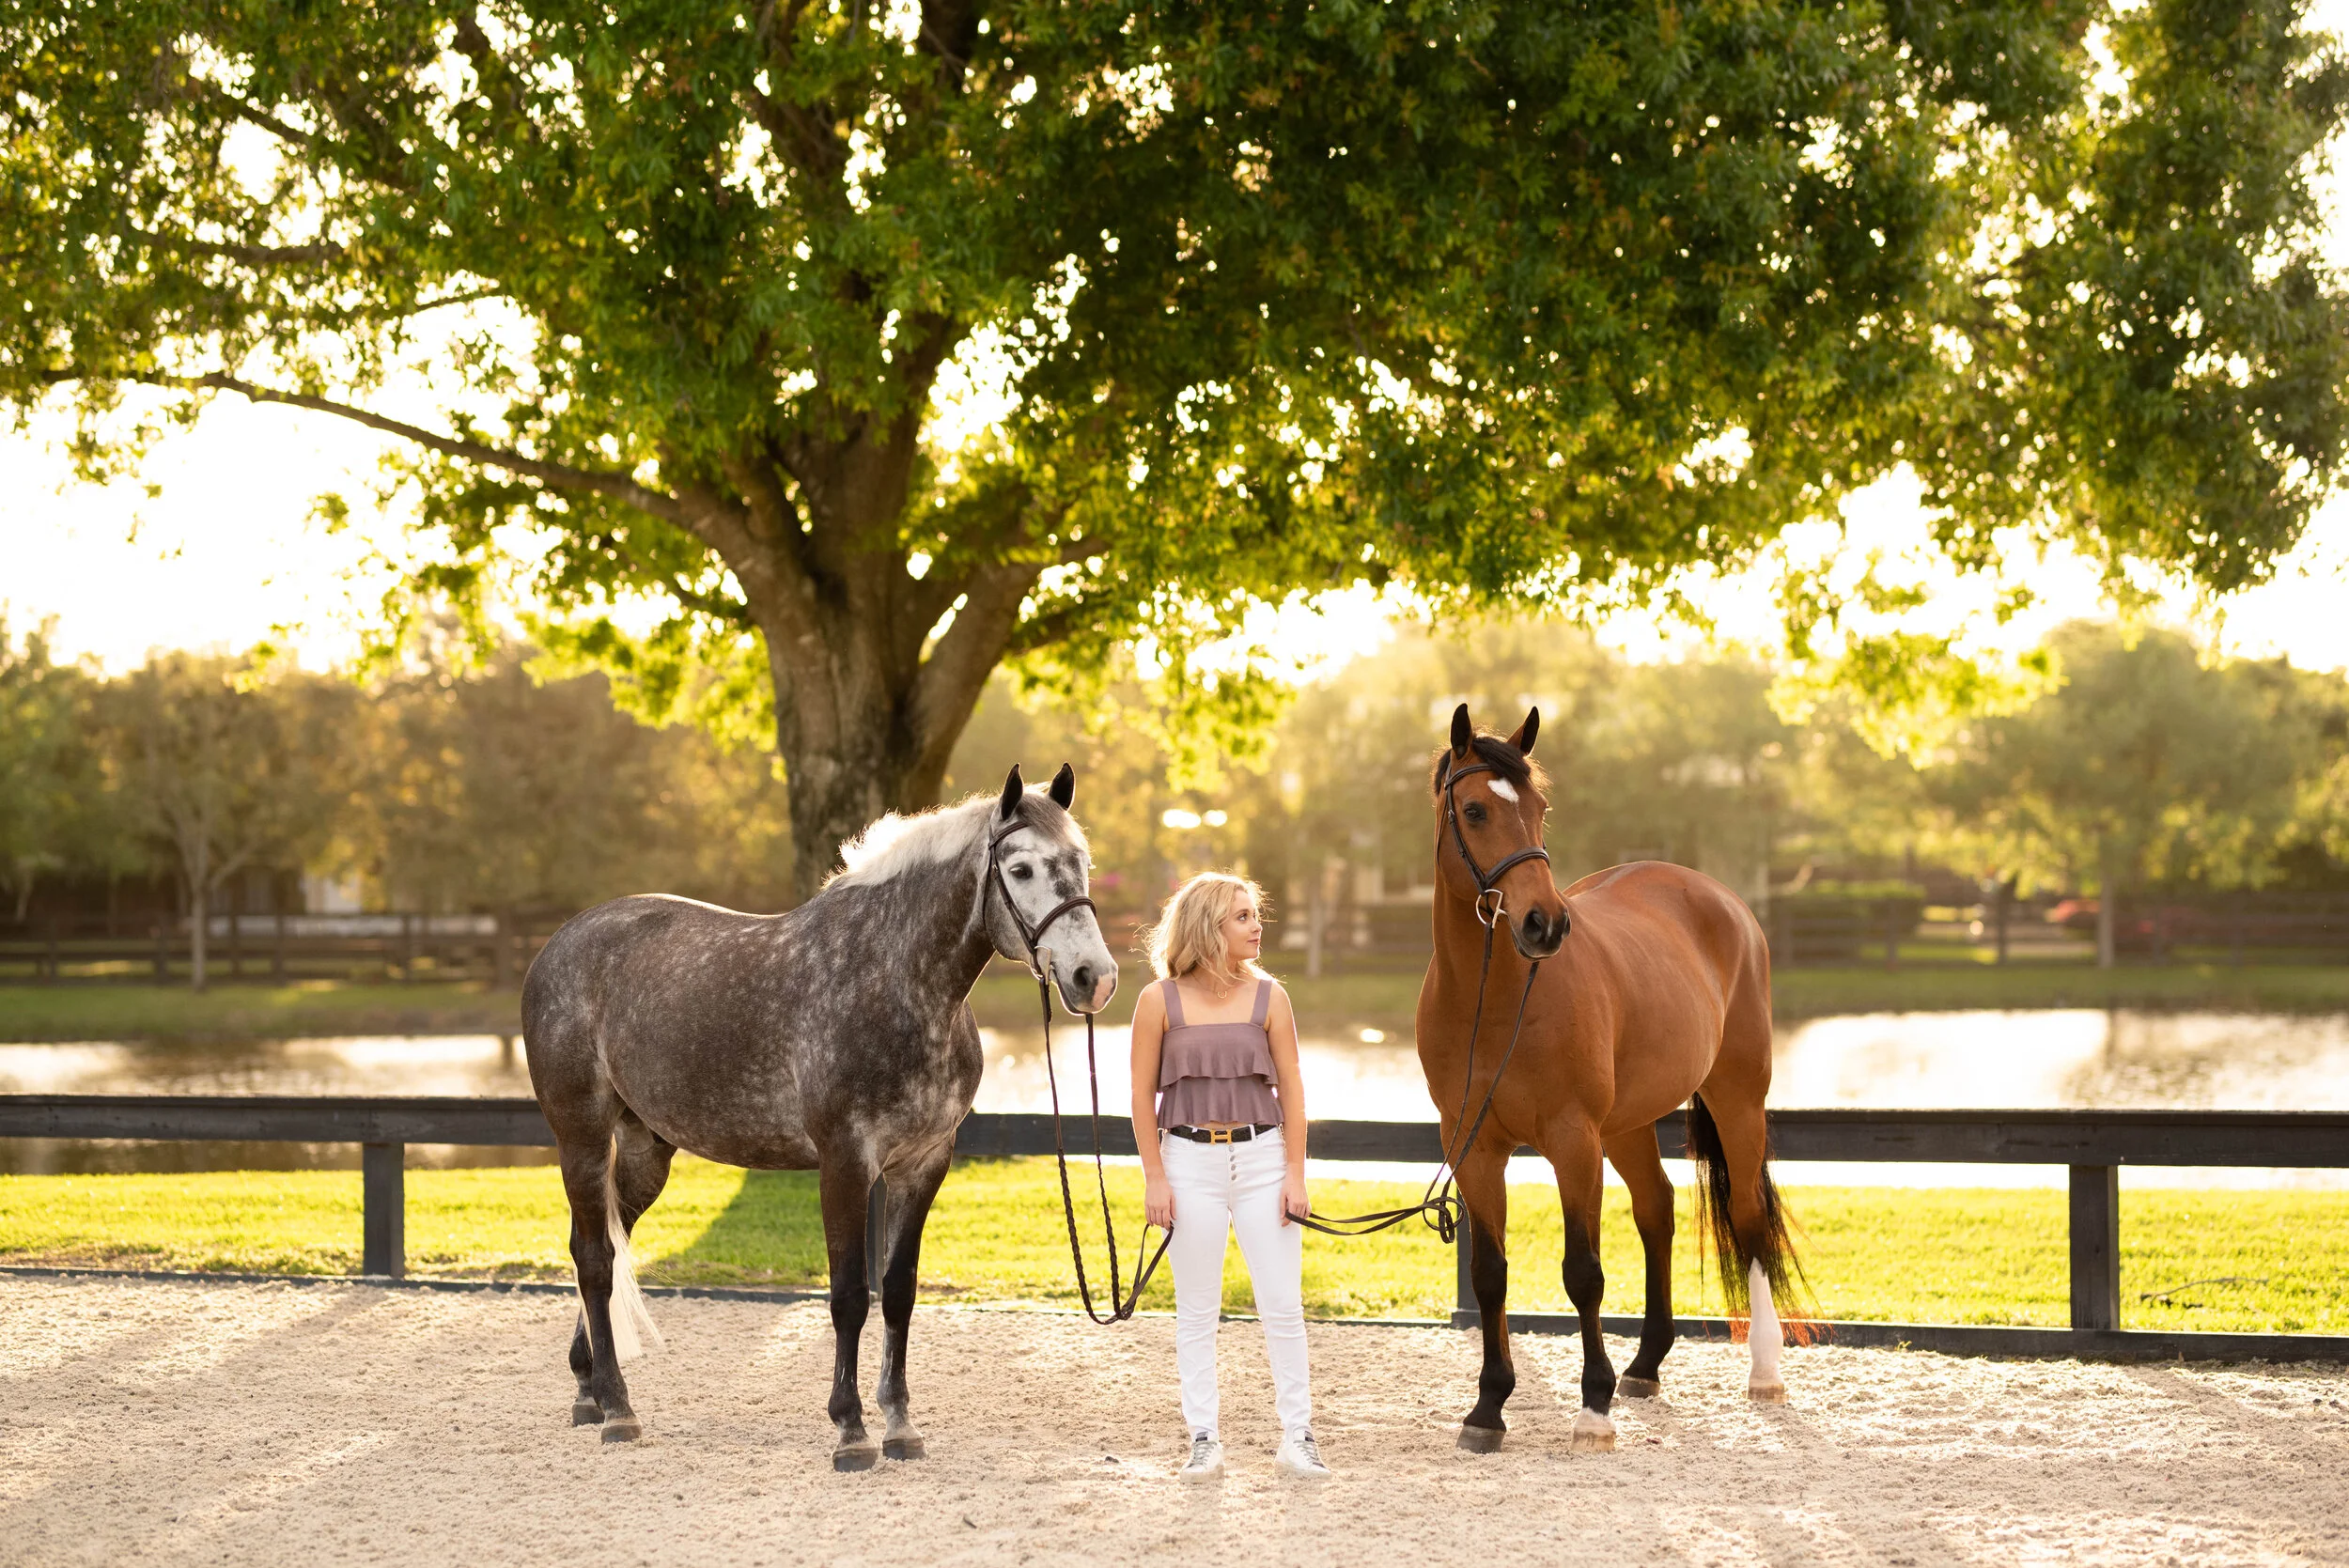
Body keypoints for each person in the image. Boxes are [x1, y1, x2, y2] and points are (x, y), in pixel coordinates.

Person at [1129, 872, 1329, 1481]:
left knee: (1283, 1305)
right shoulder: (1157, 1000)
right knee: (1196, 1309)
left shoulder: (1272, 996)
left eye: (1253, 914)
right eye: (1241, 916)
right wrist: (1155, 1176)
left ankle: (1298, 1435)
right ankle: (1204, 1438)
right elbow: (1140, 1097)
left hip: (1264, 1157)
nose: (1255, 924)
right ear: (1208, 927)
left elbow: (1292, 1089)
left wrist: (1296, 1173)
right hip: (1187, 1162)